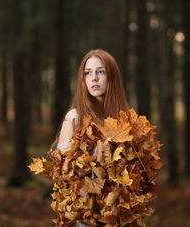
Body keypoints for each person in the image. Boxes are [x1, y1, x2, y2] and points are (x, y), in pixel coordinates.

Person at [52, 49, 131, 227]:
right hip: (86, 216)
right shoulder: (74, 117)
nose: (93, 78)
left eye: (100, 72)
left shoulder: (124, 121)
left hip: (118, 215)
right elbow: (65, 176)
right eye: (88, 73)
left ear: (112, 78)